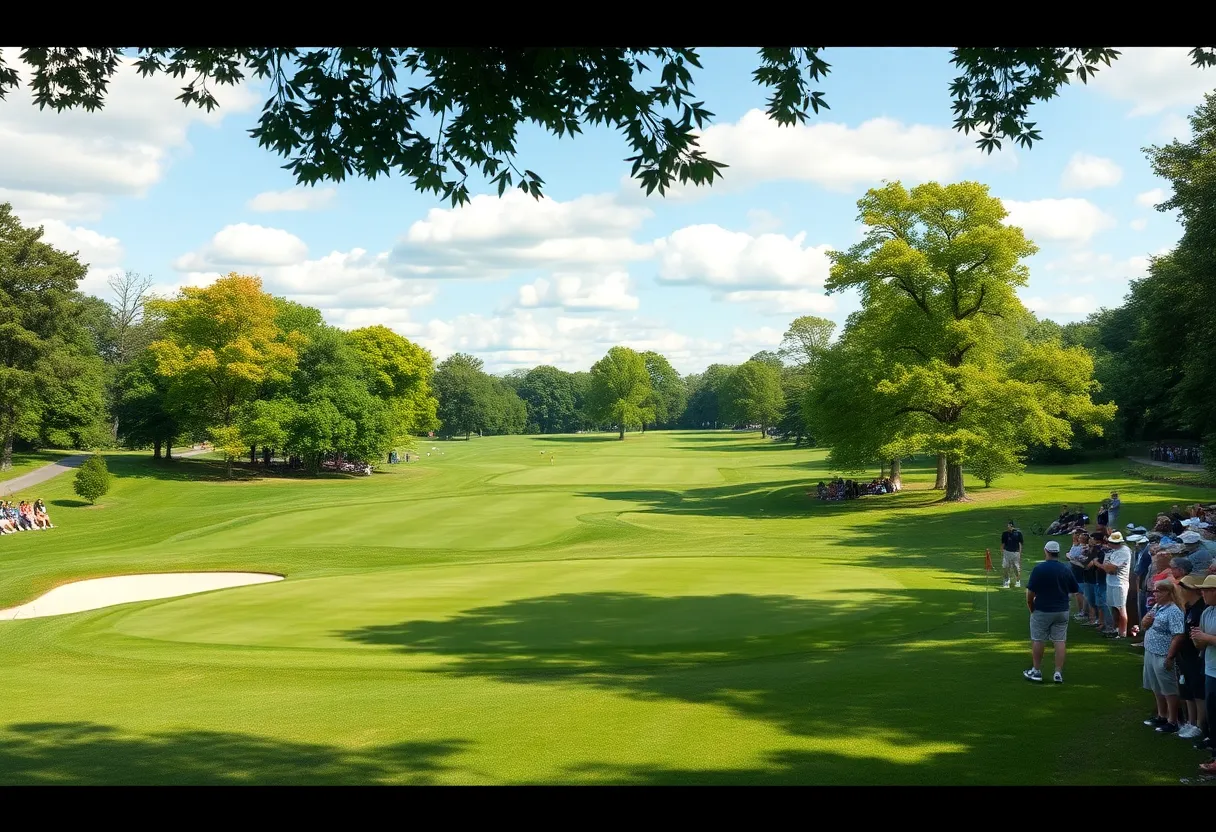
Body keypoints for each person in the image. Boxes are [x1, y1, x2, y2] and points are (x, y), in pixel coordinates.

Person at [1024, 540, 1080, 683]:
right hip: (1061, 610)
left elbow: (1030, 593)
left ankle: (1036, 671)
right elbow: (1074, 589)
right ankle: (1058, 673)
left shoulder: (1039, 569)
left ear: (1046, 551)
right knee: (1060, 640)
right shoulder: (1065, 569)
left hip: (1042, 609)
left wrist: (1031, 607)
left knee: (1038, 639)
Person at [1142, 578, 1188, 734]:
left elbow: (1178, 635)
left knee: (1168, 687)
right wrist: (1146, 622)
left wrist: (1169, 656)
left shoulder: (1174, 611)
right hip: (1151, 650)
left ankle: (1173, 720)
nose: (1156, 594)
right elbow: (1144, 623)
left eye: (1159, 591)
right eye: (1155, 591)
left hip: (1163, 653)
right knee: (1156, 685)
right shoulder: (1157, 606)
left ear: (1169, 593)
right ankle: (1162, 715)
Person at [1188, 575, 1216, 774]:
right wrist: (1197, 639)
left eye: (1206, 590)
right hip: (1210, 669)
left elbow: (1208, 638)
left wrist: (1205, 637)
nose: (1202, 593)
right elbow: (1202, 644)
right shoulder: (1207, 612)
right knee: (1213, 715)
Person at [1177, 575, 1209, 740]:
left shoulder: (1200, 609)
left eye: (1183, 588)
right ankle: (1190, 721)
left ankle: (1199, 724)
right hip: (1185, 656)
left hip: (1196, 657)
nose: (1180, 591)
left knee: (1198, 691)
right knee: (1187, 689)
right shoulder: (1189, 608)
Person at [1099, 531, 1132, 638]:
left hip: (1119, 583)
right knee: (1113, 607)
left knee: (1121, 608)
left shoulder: (1123, 552)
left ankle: (1122, 633)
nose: (1109, 544)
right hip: (1111, 582)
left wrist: (1105, 566)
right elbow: (1107, 567)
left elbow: (1110, 569)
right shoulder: (1113, 551)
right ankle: (1115, 629)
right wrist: (1107, 565)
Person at [1001, 519, 1025, 589]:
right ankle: (1006, 581)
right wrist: (1002, 552)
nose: (1008, 526)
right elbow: (1003, 544)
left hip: (1015, 552)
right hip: (1007, 552)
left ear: (1012, 526)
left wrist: (1019, 553)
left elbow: (1020, 544)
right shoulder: (1005, 534)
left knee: (1016, 568)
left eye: (1009, 525)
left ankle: (1018, 581)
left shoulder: (1018, 534)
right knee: (1006, 567)